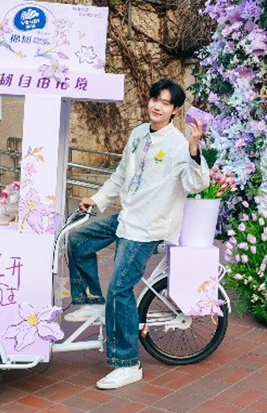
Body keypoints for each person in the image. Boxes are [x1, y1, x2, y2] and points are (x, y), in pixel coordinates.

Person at [64, 78, 209, 390]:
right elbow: (120, 175)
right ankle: (90, 300)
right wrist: (97, 199)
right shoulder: (138, 133)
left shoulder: (178, 145)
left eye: (166, 103)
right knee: (78, 239)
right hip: (126, 218)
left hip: (148, 227)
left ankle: (128, 363)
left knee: (119, 289)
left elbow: (197, 183)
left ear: (175, 110)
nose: (157, 106)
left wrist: (195, 148)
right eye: (155, 99)